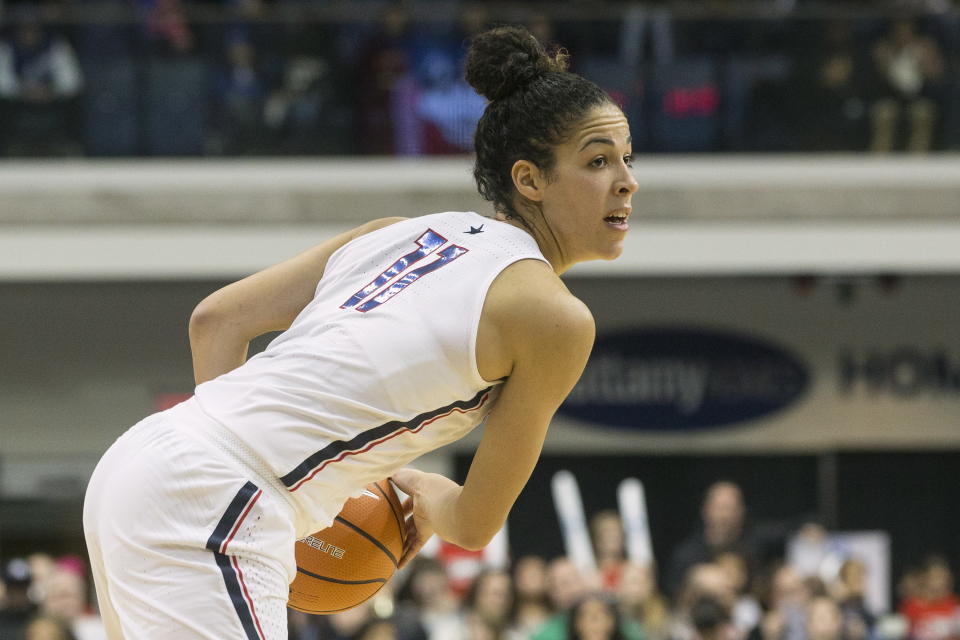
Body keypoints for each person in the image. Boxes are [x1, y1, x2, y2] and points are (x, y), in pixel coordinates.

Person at [82, 24, 637, 640]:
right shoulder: (557, 318)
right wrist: (420, 490)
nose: (626, 180)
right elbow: (475, 523)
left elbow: (215, 320)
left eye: (625, 158)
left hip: (142, 457)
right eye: (597, 160)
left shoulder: (396, 231)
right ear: (529, 180)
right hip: (216, 500)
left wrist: (240, 457)